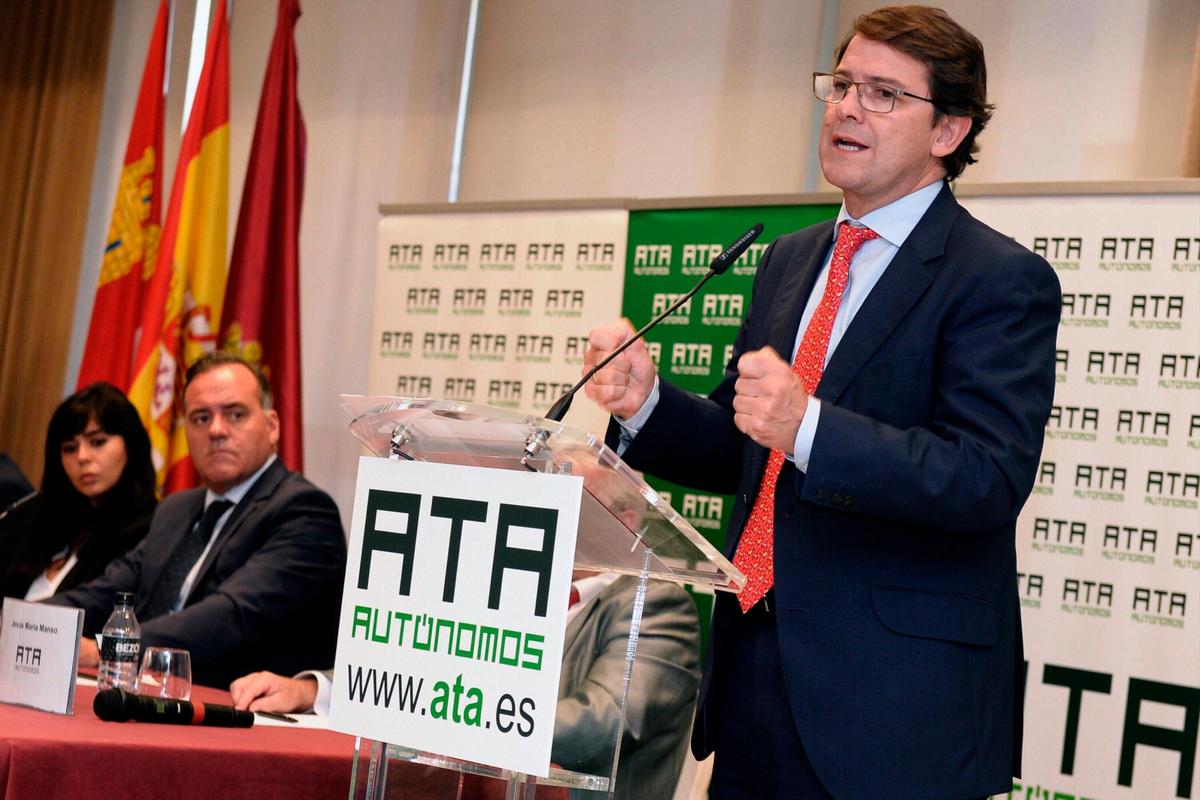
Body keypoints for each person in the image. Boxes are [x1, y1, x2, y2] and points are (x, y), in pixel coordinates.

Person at [582, 6, 1061, 799]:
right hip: (752, 680)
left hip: (892, 711)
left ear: (948, 131)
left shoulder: (996, 280)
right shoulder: (791, 259)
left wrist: (808, 426)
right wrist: (648, 405)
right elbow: (747, 447)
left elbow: (983, 477)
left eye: (882, 94)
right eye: (841, 85)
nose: (846, 108)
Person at [231, 452, 701, 800]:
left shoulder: (657, 605)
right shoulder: (507, 587)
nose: (543, 508)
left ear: (625, 521)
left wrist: (452, 712)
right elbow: (422, 667)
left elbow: (600, 725)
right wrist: (320, 691)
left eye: (566, 496)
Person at [49, 353, 347, 687]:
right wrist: (25, 621)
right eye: (201, 418)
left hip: (235, 711)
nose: (217, 430)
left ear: (272, 426)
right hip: (143, 694)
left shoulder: (303, 511)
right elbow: (107, 590)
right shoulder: (177, 509)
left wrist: (110, 648)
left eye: (235, 414)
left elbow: (232, 614)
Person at [0, 383, 156, 600]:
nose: (82, 457)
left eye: (97, 442)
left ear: (131, 446)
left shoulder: (149, 529)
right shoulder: (43, 521)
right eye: (70, 448)